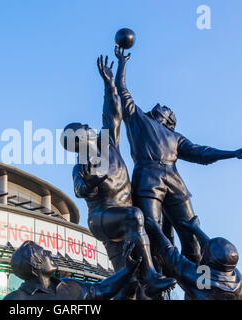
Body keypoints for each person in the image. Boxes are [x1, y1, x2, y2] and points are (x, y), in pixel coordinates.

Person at [114, 45, 242, 265]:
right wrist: (122, 63)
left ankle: (198, 285)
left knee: (191, 234)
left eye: (165, 108)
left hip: (175, 182)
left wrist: (233, 153)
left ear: (170, 122)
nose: (160, 106)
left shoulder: (175, 137)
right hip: (147, 178)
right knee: (152, 231)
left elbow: (202, 153)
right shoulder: (139, 120)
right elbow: (122, 91)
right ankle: (155, 281)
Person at [60, 56, 176, 296]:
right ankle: (152, 276)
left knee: (129, 282)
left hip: (122, 220)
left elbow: (112, 112)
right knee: (136, 215)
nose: (88, 127)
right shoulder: (82, 164)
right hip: (103, 219)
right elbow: (80, 189)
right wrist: (90, 183)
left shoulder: (108, 143)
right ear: (79, 140)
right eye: (83, 128)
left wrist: (109, 85)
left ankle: (145, 280)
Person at [4, 240, 142, 300]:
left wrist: (127, 270)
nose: (50, 253)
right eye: (44, 253)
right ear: (35, 263)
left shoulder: (70, 286)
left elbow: (101, 289)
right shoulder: (16, 298)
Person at [147, 216, 242, 300]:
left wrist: (155, 228)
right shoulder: (238, 280)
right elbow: (215, 252)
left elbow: (172, 256)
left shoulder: (202, 280)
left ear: (209, 261)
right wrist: (196, 229)